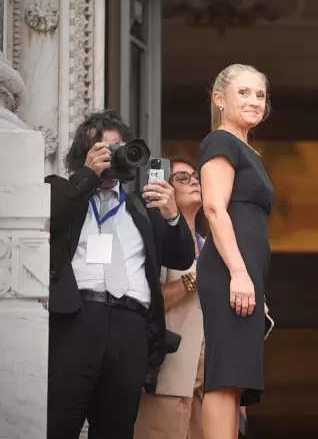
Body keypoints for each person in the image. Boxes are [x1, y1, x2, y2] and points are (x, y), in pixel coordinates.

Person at [45, 110, 196, 439]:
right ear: (85, 152)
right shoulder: (65, 192)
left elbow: (182, 257)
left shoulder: (141, 208)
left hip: (131, 328)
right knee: (58, 425)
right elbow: (49, 217)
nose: (115, 155)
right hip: (77, 321)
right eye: (106, 148)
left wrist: (172, 216)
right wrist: (87, 175)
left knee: (116, 430)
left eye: (120, 147)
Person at [197, 64, 274, 439]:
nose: (254, 101)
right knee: (225, 375)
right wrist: (240, 274)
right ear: (219, 99)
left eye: (260, 95)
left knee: (236, 381)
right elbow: (213, 208)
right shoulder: (220, 142)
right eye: (243, 92)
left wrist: (255, 286)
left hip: (244, 275)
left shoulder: (249, 151)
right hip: (230, 273)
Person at [134, 157, 207, 439]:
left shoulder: (211, 244)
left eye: (196, 176)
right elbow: (148, 301)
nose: (194, 182)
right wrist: (195, 280)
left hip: (206, 380)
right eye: (183, 178)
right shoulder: (157, 241)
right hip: (169, 376)